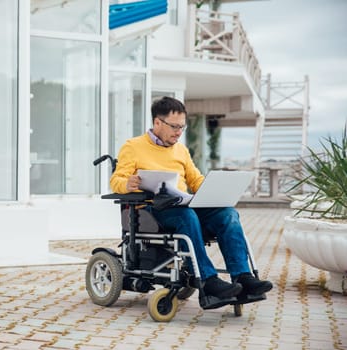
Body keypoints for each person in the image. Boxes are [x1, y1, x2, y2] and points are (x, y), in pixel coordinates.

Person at [110, 96, 273, 309]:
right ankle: (207, 280)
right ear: (157, 123)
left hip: (184, 206)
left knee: (227, 214)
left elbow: (195, 180)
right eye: (174, 126)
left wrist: (214, 190)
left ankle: (243, 277)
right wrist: (127, 183)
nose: (179, 132)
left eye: (182, 127)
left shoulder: (181, 150)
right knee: (186, 216)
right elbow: (116, 181)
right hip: (153, 211)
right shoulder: (133, 147)